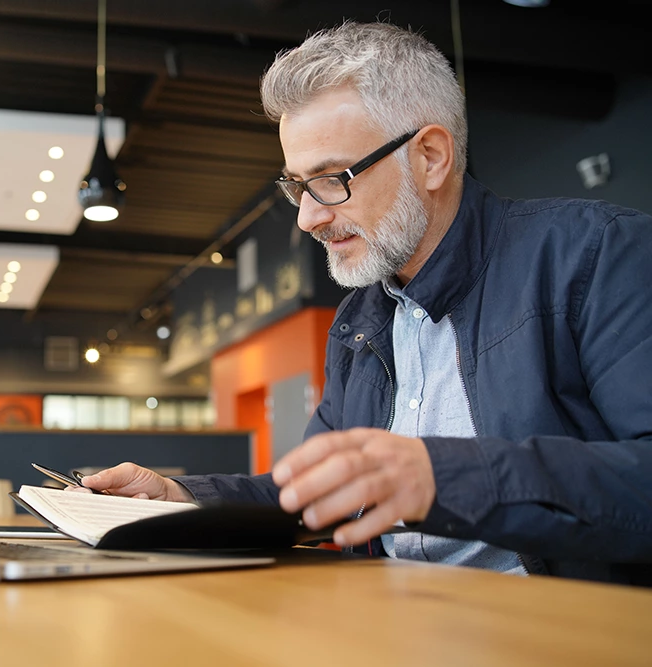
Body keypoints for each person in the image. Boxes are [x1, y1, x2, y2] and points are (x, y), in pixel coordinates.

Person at [75, 21, 652, 586]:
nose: (308, 217)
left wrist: (441, 477)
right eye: (297, 186)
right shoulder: (361, 323)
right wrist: (180, 499)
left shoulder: (596, 255)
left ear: (430, 157)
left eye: (332, 179)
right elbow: (310, 492)